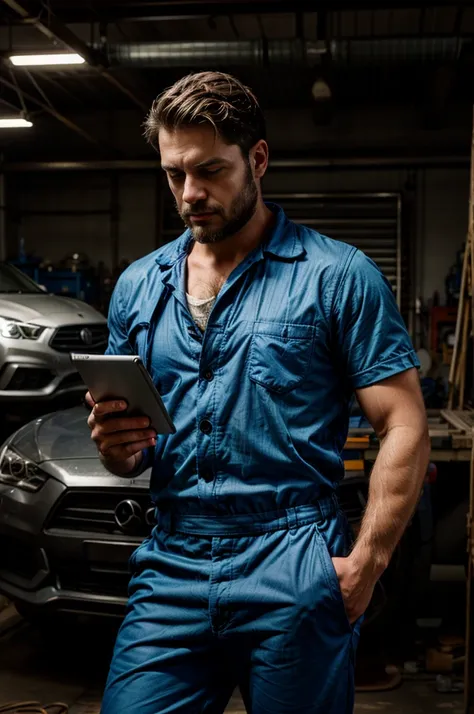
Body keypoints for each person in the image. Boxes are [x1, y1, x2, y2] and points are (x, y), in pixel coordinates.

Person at [86, 71, 430, 714]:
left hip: (293, 557)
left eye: (211, 171)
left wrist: (367, 564)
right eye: (174, 174)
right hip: (173, 561)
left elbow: (405, 423)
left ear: (259, 160)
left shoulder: (337, 277)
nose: (190, 194)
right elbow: (129, 454)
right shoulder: (138, 287)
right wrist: (118, 447)